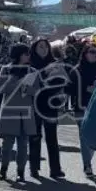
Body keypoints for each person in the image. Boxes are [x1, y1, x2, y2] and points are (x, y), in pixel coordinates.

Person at [0, 43, 39, 182]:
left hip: (25, 111)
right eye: (26, 54)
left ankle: (21, 171)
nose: (28, 56)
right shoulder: (6, 69)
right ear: (19, 55)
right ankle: (4, 169)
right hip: (9, 111)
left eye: (29, 54)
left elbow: (37, 89)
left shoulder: (32, 71)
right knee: (7, 144)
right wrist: (18, 84)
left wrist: (27, 89)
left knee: (23, 145)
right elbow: (0, 88)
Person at [28, 39, 66, 179]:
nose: (44, 49)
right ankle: (34, 168)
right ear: (35, 48)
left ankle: (55, 169)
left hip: (50, 104)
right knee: (34, 137)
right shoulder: (29, 63)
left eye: (46, 47)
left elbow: (62, 81)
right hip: (34, 104)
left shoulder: (55, 63)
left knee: (52, 138)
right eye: (41, 46)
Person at [74, 43, 96, 177]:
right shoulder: (77, 70)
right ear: (85, 54)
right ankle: (87, 164)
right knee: (84, 136)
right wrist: (86, 88)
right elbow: (70, 88)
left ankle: (88, 160)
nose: (94, 55)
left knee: (94, 137)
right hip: (81, 106)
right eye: (91, 52)